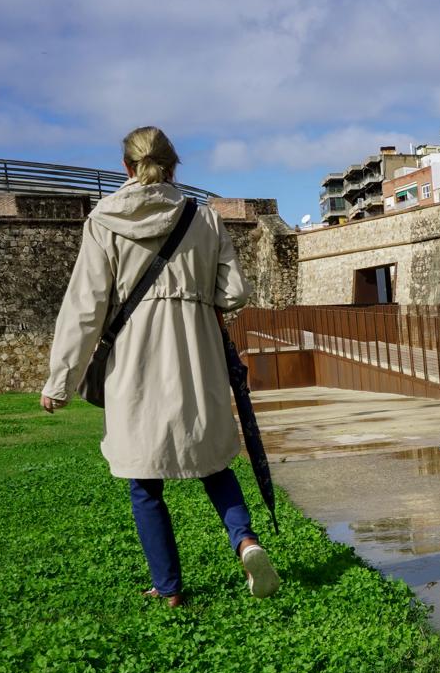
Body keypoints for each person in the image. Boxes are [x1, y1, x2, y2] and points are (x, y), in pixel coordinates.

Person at [40, 126, 280, 608]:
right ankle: (246, 541)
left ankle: (169, 589)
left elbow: (85, 308)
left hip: (135, 364)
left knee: (144, 482)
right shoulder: (204, 219)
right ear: (174, 166)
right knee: (213, 461)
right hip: (197, 358)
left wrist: (60, 381)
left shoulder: (104, 221)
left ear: (126, 168)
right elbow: (235, 293)